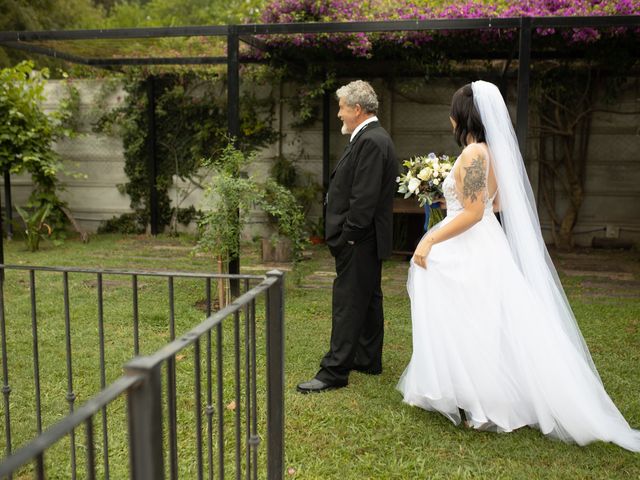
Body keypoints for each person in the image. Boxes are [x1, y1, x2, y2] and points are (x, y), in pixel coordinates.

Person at [397, 80, 640, 451]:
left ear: (463, 116)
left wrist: (431, 237)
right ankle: (462, 389)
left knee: (472, 321)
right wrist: (456, 204)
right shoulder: (491, 152)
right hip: (484, 241)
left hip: (472, 246)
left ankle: (483, 403)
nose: (449, 118)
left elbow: (477, 211)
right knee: (476, 319)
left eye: (453, 111)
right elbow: (497, 204)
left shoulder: (476, 154)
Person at [297, 80, 398, 393]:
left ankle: (333, 372)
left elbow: (363, 199)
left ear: (357, 109)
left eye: (341, 107)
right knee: (368, 300)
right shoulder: (371, 138)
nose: (338, 113)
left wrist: (347, 238)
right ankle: (367, 358)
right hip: (365, 239)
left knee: (348, 302)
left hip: (359, 240)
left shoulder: (371, 141)